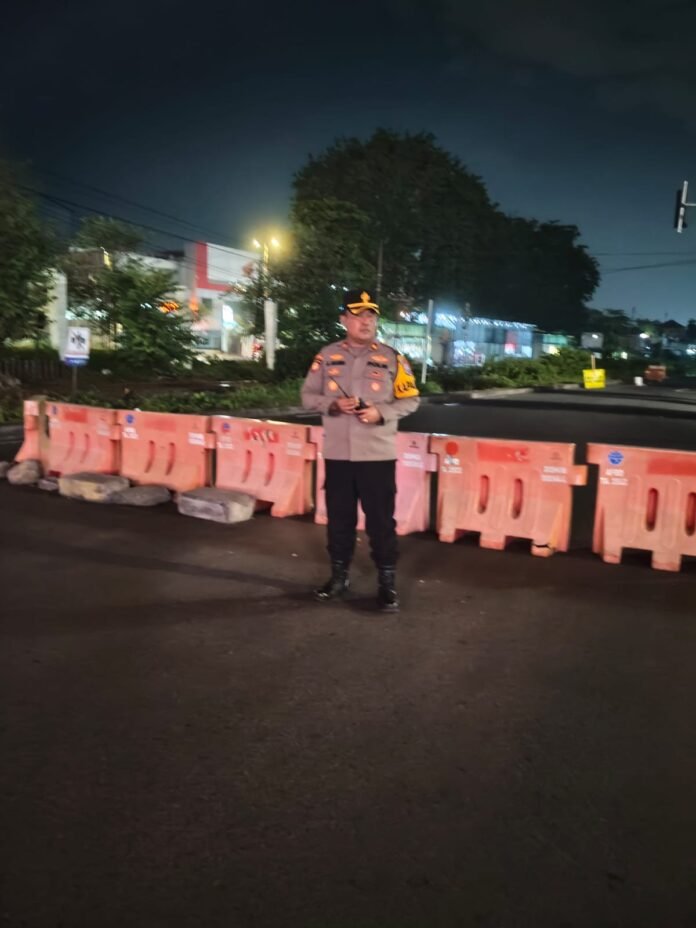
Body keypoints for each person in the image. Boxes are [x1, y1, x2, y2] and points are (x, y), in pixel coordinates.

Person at [301, 288, 420, 612]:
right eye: (358, 315)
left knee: (381, 521)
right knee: (339, 520)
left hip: (376, 456)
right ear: (344, 319)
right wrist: (332, 404)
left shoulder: (392, 358)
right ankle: (338, 578)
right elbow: (307, 396)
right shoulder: (326, 356)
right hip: (338, 456)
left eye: (371, 316)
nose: (366, 321)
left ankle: (387, 583)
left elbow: (411, 399)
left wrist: (381, 412)